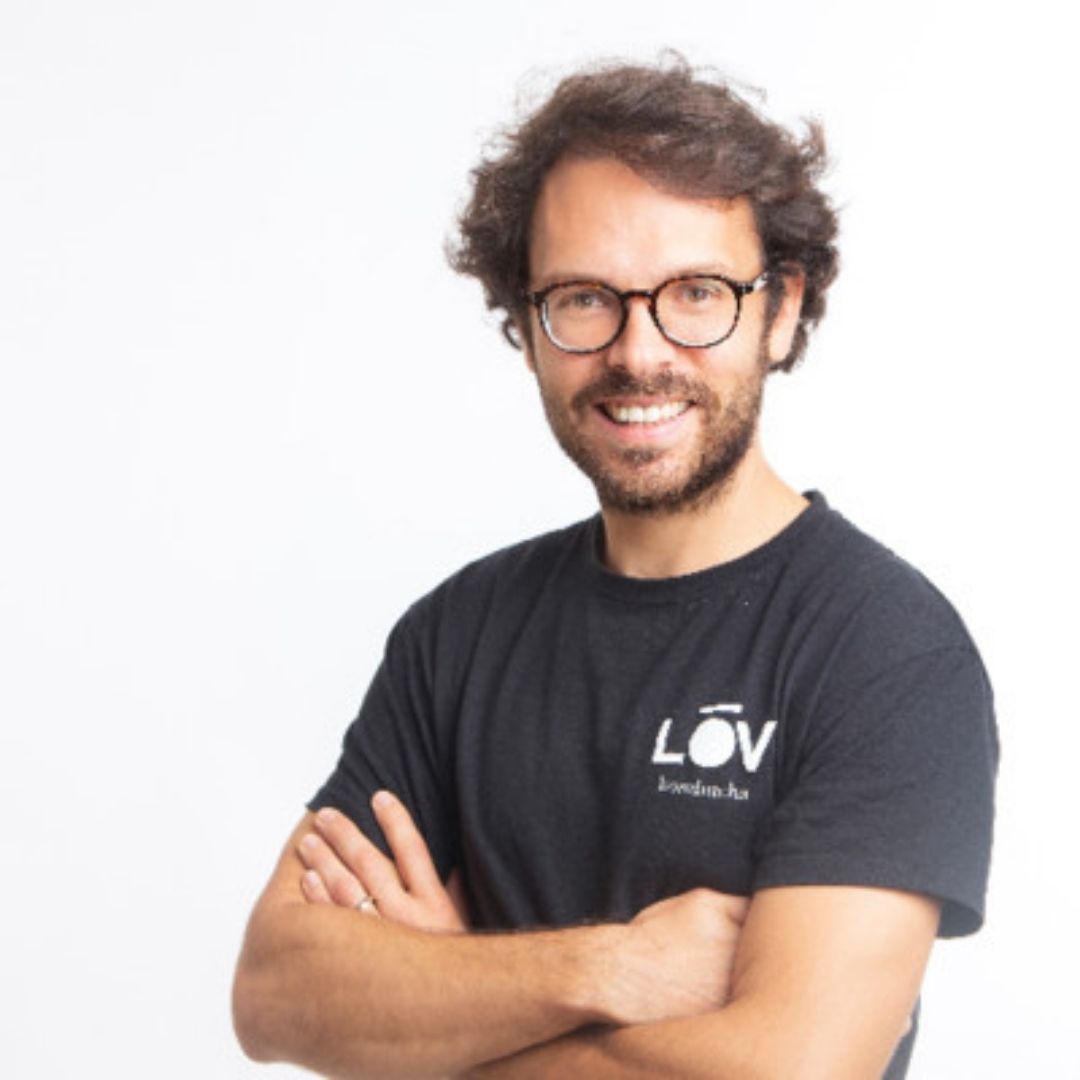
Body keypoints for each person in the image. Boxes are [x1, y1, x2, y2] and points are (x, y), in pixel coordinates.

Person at [233, 56, 997, 1079]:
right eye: (585, 298)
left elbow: (790, 1072)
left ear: (779, 309)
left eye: (697, 293)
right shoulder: (456, 637)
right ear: (526, 326)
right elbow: (275, 993)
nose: (640, 353)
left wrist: (445, 1015)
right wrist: (611, 967)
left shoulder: (885, 651)